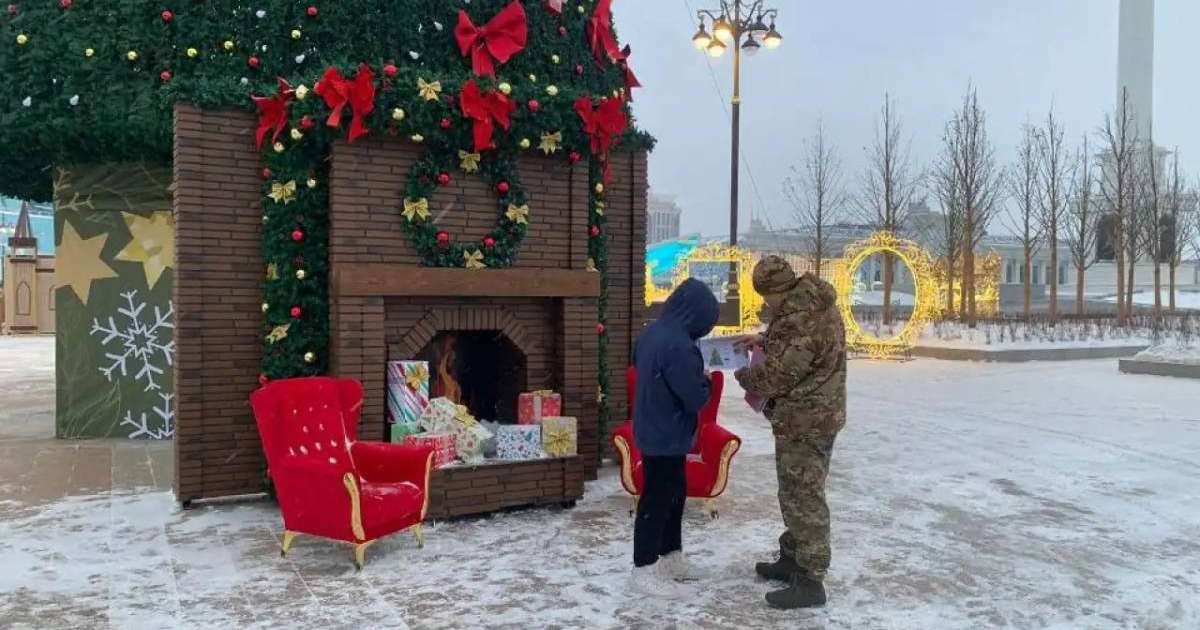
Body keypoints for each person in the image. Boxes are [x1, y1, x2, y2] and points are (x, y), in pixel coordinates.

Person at [735, 256, 847, 610]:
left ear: (777, 290)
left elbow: (777, 376)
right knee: (793, 492)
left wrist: (741, 372)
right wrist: (764, 339)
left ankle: (811, 580)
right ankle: (793, 559)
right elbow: (797, 348)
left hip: (807, 421)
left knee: (805, 497)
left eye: (766, 297)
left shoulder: (802, 317)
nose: (766, 304)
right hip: (809, 417)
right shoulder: (808, 306)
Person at [628, 278, 720, 599]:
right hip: (666, 432)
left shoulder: (651, 332)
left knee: (672, 495)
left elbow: (641, 365)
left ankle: (670, 557)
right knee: (657, 500)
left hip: (654, 427)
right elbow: (694, 398)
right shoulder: (680, 346)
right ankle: (644, 568)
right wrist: (706, 382)